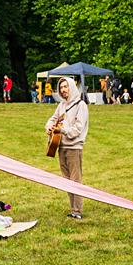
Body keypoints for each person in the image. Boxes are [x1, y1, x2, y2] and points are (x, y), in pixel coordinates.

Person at [45, 77, 89, 219]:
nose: (63, 90)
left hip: (74, 147)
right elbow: (53, 118)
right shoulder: (62, 105)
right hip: (60, 146)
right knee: (66, 180)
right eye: (61, 87)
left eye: (66, 86)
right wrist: (49, 126)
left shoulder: (80, 105)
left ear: (72, 87)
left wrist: (63, 130)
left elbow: (77, 129)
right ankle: (73, 209)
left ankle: (78, 210)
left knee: (75, 179)